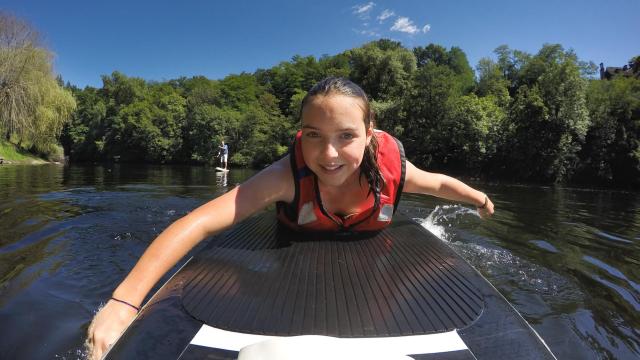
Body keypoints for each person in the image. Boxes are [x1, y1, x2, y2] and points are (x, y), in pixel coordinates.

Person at [88, 77, 494, 359]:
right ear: (302, 133)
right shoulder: (285, 178)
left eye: (346, 136)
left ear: (370, 132)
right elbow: (201, 221)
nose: (329, 154)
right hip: (288, 247)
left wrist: (476, 197)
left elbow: (438, 185)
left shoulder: (395, 169)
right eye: (313, 134)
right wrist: (123, 304)